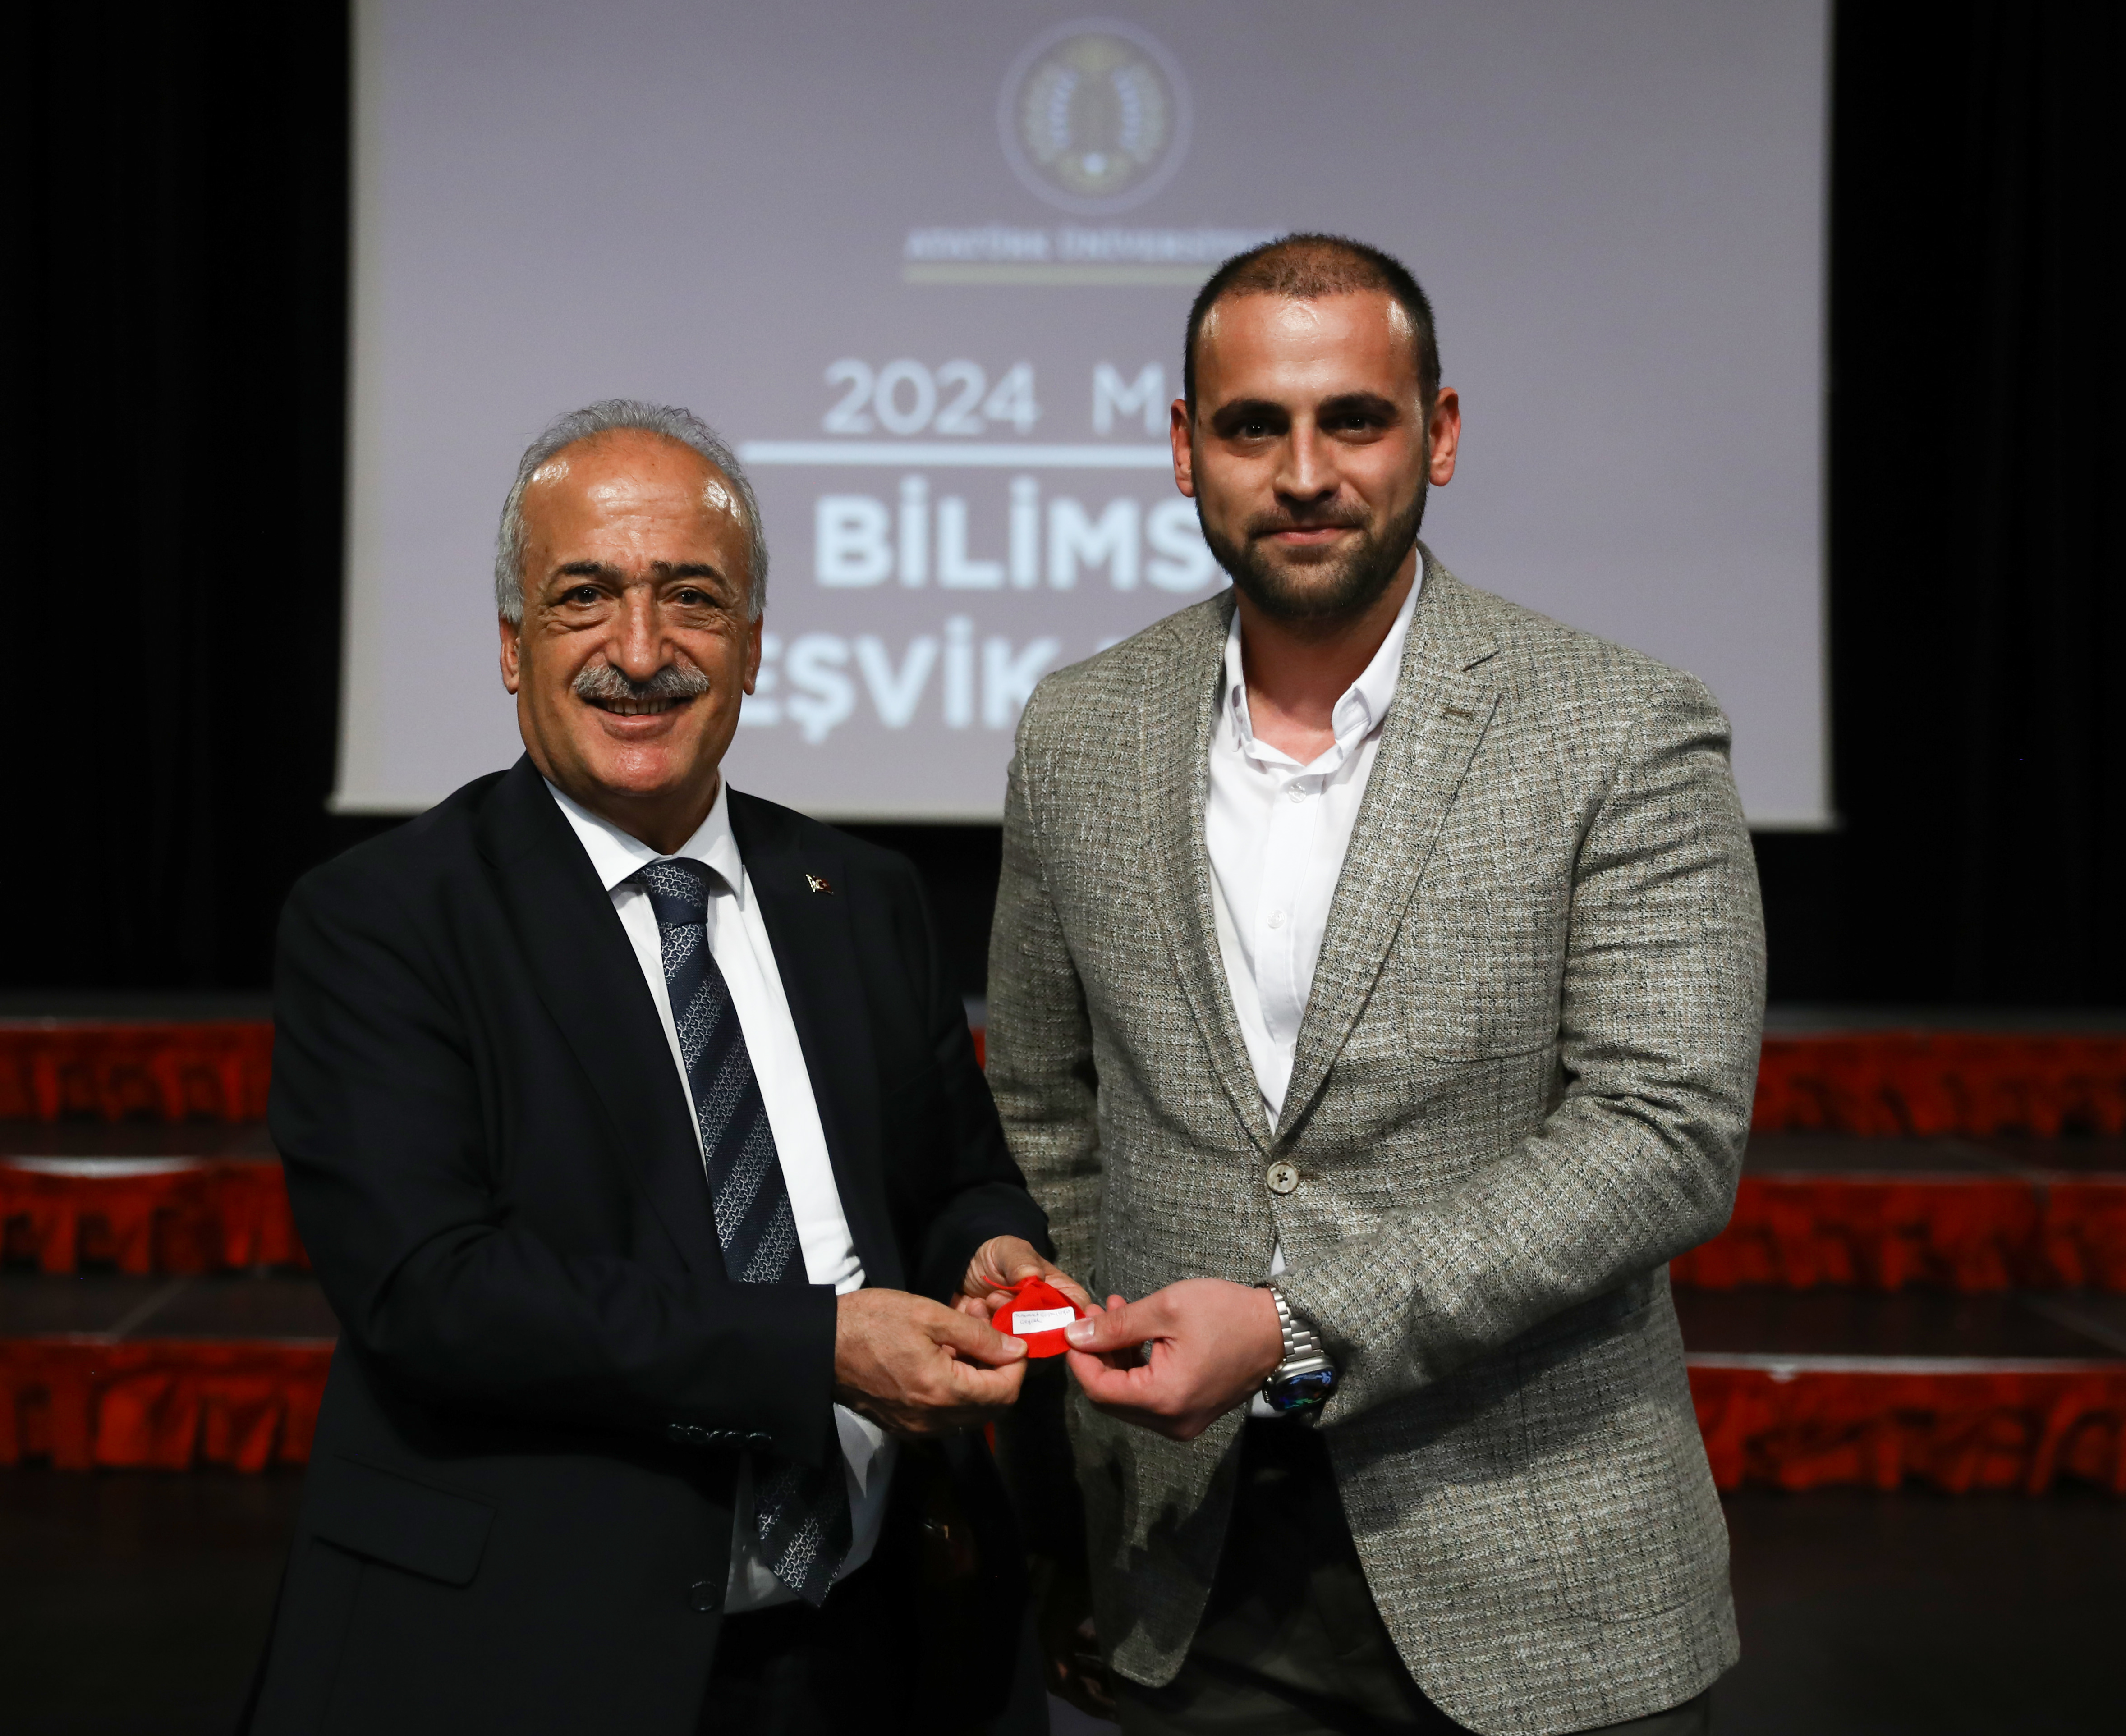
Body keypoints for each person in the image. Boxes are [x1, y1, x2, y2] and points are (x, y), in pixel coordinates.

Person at [988, 235, 1764, 1735]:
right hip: (1189, 1566)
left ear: (1440, 433)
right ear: (1184, 448)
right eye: (1252, 426)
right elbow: (1043, 1097)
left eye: (1353, 419)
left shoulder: (1624, 727)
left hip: (1545, 1575)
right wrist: (1091, 1389)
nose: (1304, 473)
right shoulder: (1078, 729)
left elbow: (1666, 1133)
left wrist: (1296, 1323)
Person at [240, 400, 1087, 1735]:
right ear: (512, 647)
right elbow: (435, 1292)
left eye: (691, 598)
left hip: (876, 1649)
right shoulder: (385, 918)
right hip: (531, 1661)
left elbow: (952, 1180)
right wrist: (820, 1346)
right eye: (585, 598)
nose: (641, 652)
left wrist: (990, 1250)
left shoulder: (857, 896)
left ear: (753, 646)